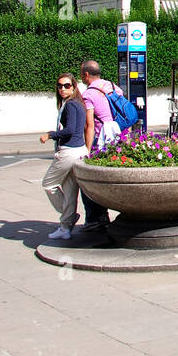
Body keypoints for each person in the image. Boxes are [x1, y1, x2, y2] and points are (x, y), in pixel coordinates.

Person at [76, 59, 124, 233]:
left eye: (82, 73)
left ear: (86, 74)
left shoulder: (88, 94)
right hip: (117, 137)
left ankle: (96, 218)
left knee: (89, 180)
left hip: (101, 139)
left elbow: (89, 126)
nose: (81, 76)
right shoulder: (112, 86)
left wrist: (87, 151)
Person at [40, 71, 87, 241]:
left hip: (69, 151)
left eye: (67, 85)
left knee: (48, 184)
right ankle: (65, 228)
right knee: (69, 190)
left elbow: (70, 130)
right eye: (59, 86)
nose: (62, 89)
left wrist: (50, 135)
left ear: (74, 86)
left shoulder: (72, 105)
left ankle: (68, 217)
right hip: (79, 150)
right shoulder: (76, 103)